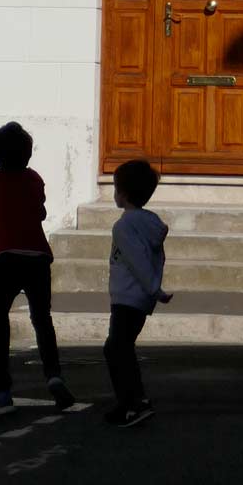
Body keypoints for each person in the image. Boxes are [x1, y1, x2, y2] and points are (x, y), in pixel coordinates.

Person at [0, 121, 73, 415]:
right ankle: (53, 375)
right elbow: (40, 209)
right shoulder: (34, 179)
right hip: (38, 256)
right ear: (28, 154)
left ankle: (2, 391)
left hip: (4, 257)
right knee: (42, 318)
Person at [103, 158, 173, 428]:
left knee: (116, 349)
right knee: (121, 348)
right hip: (139, 297)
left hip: (127, 296)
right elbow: (155, 259)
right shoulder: (150, 223)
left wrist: (155, 289)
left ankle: (133, 403)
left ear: (123, 193)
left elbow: (136, 260)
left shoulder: (124, 226)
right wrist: (154, 288)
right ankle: (130, 402)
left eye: (116, 188)